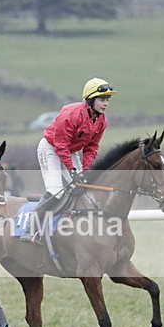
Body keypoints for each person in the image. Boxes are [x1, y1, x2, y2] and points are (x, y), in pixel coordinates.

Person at [21, 77, 116, 243]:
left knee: (81, 187)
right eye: (102, 100)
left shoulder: (102, 121)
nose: (105, 104)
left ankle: (66, 222)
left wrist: (85, 171)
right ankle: (31, 227)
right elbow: (60, 145)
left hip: (70, 151)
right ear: (91, 100)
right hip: (50, 148)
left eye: (107, 100)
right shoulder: (71, 115)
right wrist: (72, 170)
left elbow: (91, 148)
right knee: (56, 190)